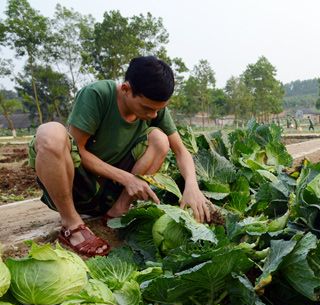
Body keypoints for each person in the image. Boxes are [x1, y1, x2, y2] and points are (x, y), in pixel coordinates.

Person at [29, 56, 213, 257]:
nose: (153, 115)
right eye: (147, 108)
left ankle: (118, 210)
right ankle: (72, 224)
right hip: (78, 188)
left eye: (158, 109)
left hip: (110, 194)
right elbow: (77, 150)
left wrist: (192, 187)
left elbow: (181, 151)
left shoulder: (154, 109)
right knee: (50, 133)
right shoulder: (98, 95)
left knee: (160, 139)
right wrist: (127, 178)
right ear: (125, 89)